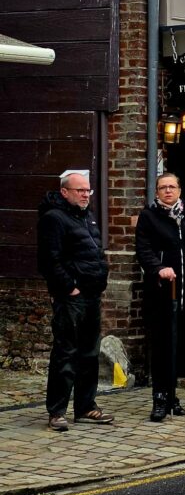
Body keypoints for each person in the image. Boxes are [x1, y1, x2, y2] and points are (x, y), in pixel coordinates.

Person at [37, 172, 113, 431]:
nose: (85, 194)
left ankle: (86, 407)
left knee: (89, 354)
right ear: (64, 192)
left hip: (91, 296)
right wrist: (70, 288)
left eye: (87, 190)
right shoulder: (54, 218)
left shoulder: (87, 217)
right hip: (71, 298)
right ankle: (57, 411)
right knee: (65, 353)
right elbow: (49, 260)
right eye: (79, 190)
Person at [135, 173, 185, 422]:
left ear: (179, 190)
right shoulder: (149, 216)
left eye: (172, 187)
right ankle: (159, 398)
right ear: (157, 192)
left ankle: (172, 396)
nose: (167, 191)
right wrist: (158, 268)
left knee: (179, 346)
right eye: (162, 188)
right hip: (162, 291)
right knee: (162, 345)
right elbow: (143, 249)